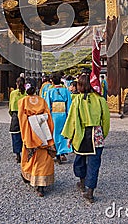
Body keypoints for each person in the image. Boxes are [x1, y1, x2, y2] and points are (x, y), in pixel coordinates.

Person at [61, 73, 110, 203]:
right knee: (94, 164)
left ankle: (82, 182)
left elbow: (71, 119)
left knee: (80, 160)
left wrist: (69, 136)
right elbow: (106, 120)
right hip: (96, 134)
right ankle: (90, 192)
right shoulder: (100, 100)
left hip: (81, 134)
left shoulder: (76, 99)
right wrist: (102, 134)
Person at [18, 85, 56, 197]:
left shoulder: (22, 101)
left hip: (30, 131)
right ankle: (41, 185)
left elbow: (22, 118)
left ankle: (28, 176)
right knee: (44, 158)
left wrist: (26, 134)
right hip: (43, 130)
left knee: (31, 156)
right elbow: (48, 116)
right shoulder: (42, 101)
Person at [45, 75, 73, 164]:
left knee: (55, 133)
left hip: (54, 115)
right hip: (63, 114)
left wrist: (48, 114)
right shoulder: (66, 91)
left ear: (52, 82)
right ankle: (63, 152)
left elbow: (47, 105)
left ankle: (56, 153)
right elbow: (69, 104)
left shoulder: (50, 91)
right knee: (63, 133)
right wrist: (68, 114)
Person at [8, 77, 27, 163]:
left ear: (16, 83)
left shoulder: (13, 93)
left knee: (15, 134)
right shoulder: (26, 94)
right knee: (25, 134)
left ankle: (18, 154)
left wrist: (12, 115)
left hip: (16, 115)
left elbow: (10, 106)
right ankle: (26, 153)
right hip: (25, 115)